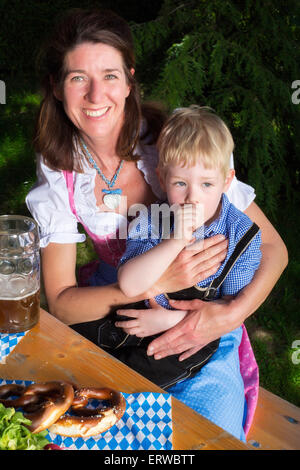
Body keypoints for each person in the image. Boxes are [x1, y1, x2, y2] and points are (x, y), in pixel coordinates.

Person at [25, 8, 288, 441]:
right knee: (92, 428)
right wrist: (153, 282)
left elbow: (275, 250)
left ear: (129, 80)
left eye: (109, 75)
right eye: (77, 78)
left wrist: (226, 316)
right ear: (56, 86)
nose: (95, 95)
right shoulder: (61, 169)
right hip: (116, 311)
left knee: (202, 434)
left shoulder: (176, 140)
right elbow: (65, 304)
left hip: (202, 311)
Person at [96, 106, 262, 401]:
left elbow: (228, 311)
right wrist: (173, 241)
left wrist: (168, 322)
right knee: (95, 343)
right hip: (139, 314)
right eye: (180, 184)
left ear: (226, 181)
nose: (192, 197)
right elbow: (130, 285)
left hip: (195, 334)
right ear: (162, 179)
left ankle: (118, 403)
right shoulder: (154, 219)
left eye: (207, 184)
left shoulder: (242, 235)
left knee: (127, 380)